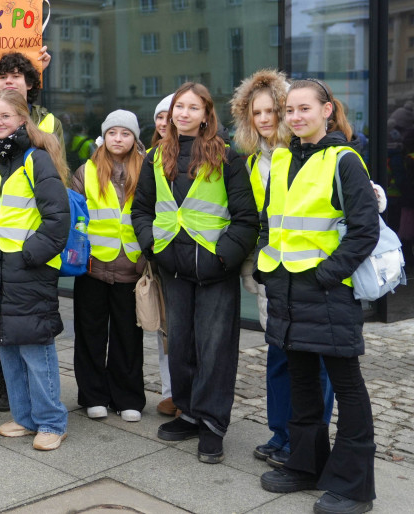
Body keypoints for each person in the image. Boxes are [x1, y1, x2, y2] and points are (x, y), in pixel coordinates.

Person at [257, 79, 379, 514]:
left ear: (328, 111)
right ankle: (305, 465)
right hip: (287, 290)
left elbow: (365, 231)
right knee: (302, 382)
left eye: (304, 108)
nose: (295, 117)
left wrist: (327, 274)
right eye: (289, 110)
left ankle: (354, 486)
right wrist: (264, 267)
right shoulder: (285, 156)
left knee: (347, 387)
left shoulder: (344, 160)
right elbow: (272, 221)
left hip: (326, 292)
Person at [131, 83, 258, 465]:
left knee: (215, 350)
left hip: (214, 271)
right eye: (177, 107)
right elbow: (141, 210)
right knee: (182, 346)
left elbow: (246, 218)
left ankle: (213, 424)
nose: (183, 113)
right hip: (174, 268)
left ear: (206, 114)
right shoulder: (156, 156)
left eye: (192, 107)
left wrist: (224, 258)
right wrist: (153, 246)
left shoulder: (227, 157)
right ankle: (188, 411)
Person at [230, 70, 336, 471]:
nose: (265, 118)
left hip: (311, 274)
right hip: (272, 274)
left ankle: (309, 438)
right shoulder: (253, 161)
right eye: (256, 112)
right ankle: (281, 432)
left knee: (314, 360)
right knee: (278, 355)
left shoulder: (310, 152)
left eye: (273, 109)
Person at [0, 90, 70, 450]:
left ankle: (51, 422)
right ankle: (26, 417)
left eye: (6, 116)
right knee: (9, 346)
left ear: (22, 118)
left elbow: (57, 218)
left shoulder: (37, 159)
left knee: (35, 346)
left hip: (28, 268)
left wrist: (32, 256)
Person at [69, 110, 146, 422]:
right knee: (90, 334)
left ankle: (127, 397)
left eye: (125, 133)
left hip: (131, 265)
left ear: (134, 138)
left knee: (129, 336)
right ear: (104, 136)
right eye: (113, 132)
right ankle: (93, 395)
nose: (118, 138)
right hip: (93, 266)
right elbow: (75, 218)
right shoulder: (86, 171)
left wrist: (147, 255)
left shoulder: (147, 170)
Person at [150, 93, 177, 418]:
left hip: (193, 257)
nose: (164, 122)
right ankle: (171, 392)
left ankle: (189, 394)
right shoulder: (151, 156)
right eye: (160, 116)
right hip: (160, 256)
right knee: (165, 331)